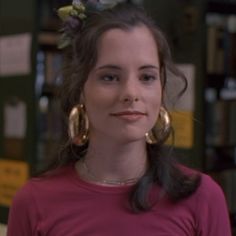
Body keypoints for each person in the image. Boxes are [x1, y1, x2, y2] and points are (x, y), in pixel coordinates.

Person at [7, 1, 232, 235]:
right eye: (110, 77)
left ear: (162, 88)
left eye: (146, 77)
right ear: (80, 89)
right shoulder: (34, 201)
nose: (131, 94)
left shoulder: (202, 197)